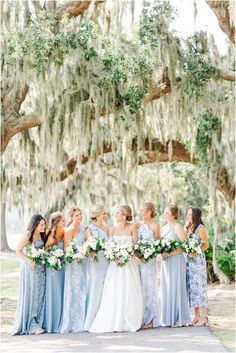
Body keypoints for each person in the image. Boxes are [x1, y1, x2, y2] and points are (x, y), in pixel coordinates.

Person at [89, 205, 143, 333]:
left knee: (130, 290)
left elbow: (135, 246)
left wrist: (128, 254)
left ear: (124, 215)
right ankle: (114, 320)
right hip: (115, 265)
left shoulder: (132, 227)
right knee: (115, 290)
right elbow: (109, 247)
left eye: (118, 213)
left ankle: (130, 319)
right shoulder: (112, 229)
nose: (116, 215)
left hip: (129, 264)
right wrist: (115, 257)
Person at [12, 214, 46, 335]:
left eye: (44, 224)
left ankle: (38, 321)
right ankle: (31, 324)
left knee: (39, 295)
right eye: (41, 224)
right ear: (35, 225)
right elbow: (18, 251)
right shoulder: (28, 235)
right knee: (31, 294)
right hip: (30, 268)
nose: (44, 226)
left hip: (41, 269)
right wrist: (29, 260)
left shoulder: (42, 234)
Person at [160, 204, 190, 327]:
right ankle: (168, 319)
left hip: (177, 260)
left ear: (173, 214)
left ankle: (178, 318)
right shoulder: (162, 228)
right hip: (166, 262)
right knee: (167, 288)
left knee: (176, 287)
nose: (165, 215)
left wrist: (171, 252)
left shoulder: (177, 227)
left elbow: (185, 245)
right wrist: (161, 252)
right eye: (164, 212)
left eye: (167, 213)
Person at [60, 207, 88, 333]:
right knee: (74, 289)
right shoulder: (69, 230)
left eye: (80, 214)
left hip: (83, 263)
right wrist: (75, 255)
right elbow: (66, 248)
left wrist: (83, 253)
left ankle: (83, 319)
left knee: (83, 289)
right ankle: (72, 321)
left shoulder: (83, 228)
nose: (80, 216)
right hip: (73, 264)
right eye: (77, 215)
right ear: (71, 217)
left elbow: (87, 244)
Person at [83, 205, 109, 331]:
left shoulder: (106, 227)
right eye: (104, 213)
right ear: (98, 214)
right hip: (96, 262)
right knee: (96, 288)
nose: (106, 215)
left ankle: (104, 318)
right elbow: (88, 247)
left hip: (107, 261)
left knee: (105, 288)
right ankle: (91, 320)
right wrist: (91, 252)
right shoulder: (89, 229)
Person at [137, 202, 160, 328]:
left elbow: (158, 244)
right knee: (140, 289)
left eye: (144, 211)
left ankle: (151, 320)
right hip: (139, 261)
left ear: (150, 211)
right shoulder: (138, 224)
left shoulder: (156, 226)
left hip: (150, 261)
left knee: (150, 288)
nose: (142, 213)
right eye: (141, 211)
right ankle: (142, 317)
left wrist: (150, 252)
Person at [185, 207, 209, 326]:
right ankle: (196, 316)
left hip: (198, 262)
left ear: (195, 215)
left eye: (190, 214)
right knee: (192, 289)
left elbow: (206, 245)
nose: (188, 216)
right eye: (188, 213)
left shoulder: (200, 228)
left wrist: (196, 251)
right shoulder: (188, 227)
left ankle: (204, 317)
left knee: (200, 288)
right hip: (188, 262)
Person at [43, 211, 65, 333]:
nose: (65, 222)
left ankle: (62, 320)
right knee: (54, 292)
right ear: (56, 223)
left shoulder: (64, 231)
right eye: (63, 221)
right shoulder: (51, 236)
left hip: (63, 267)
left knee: (62, 291)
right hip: (53, 268)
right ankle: (53, 322)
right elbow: (45, 252)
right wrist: (53, 259)